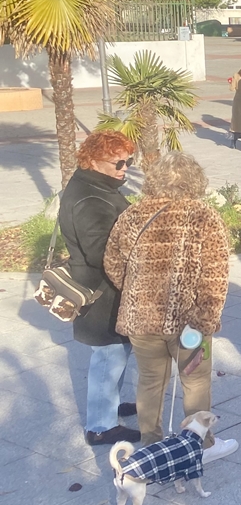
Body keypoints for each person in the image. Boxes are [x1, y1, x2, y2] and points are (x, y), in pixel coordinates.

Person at [104, 152, 237, 461]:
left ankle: (151, 445)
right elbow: (216, 273)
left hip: (141, 319)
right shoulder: (203, 216)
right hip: (188, 322)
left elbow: (112, 263)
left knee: (150, 382)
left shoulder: (132, 214)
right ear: (195, 180)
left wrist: (136, 292)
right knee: (196, 381)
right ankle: (200, 446)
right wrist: (205, 318)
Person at [60, 131, 141, 445]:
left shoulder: (98, 185)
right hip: (102, 292)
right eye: (116, 162)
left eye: (127, 161)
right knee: (108, 355)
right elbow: (101, 252)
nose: (124, 168)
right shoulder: (89, 197)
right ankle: (101, 426)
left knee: (115, 354)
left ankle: (109, 405)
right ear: (91, 160)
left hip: (108, 291)